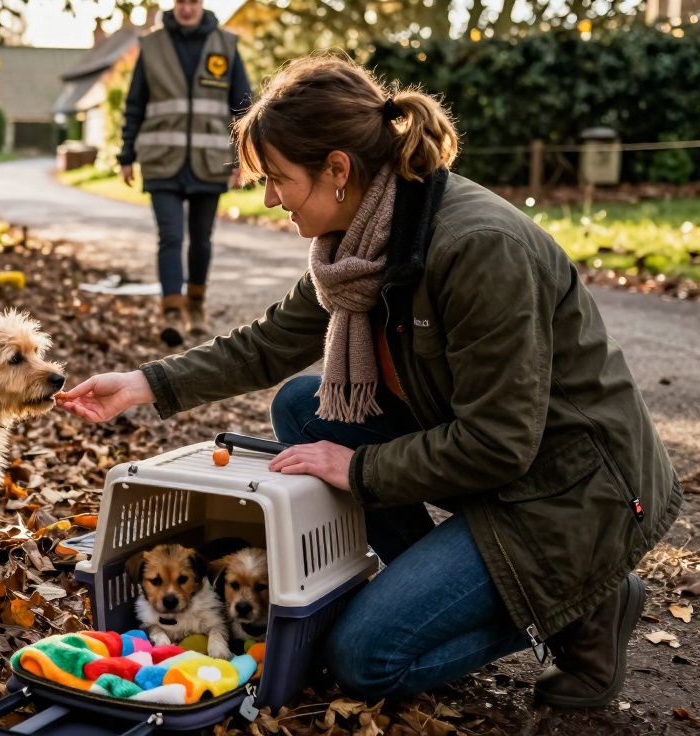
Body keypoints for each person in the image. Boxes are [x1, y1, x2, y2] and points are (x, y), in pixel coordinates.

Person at [58, 53, 681, 707]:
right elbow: (269, 342)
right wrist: (145, 383)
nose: (269, 198)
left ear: (337, 169)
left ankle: (583, 606)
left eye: (278, 179)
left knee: (363, 660)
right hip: (496, 463)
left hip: (568, 492)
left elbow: (500, 442)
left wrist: (357, 469)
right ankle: (448, 581)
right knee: (304, 408)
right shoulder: (359, 245)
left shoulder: (479, 248)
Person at [117, 0, 251, 347]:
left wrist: (242, 158)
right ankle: (172, 312)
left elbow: (243, 107)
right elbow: (135, 105)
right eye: (180, 1)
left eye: (193, 1)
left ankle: (195, 305)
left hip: (210, 161)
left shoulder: (225, 45)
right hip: (162, 160)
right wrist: (127, 154)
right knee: (170, 237)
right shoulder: (152, 45)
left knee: (201, 240)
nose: (186, 8)